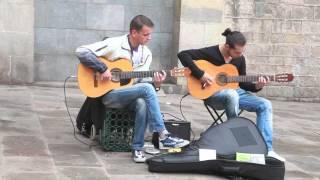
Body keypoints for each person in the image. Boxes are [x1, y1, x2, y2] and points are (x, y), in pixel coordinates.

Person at [75, 15, 189, 163]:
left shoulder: (146, 53)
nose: (149, 38)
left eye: (150, 34)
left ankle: (137, 148)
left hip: (128, 94)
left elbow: (140, 81)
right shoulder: (115, 43)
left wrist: (157, 84)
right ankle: (164, 135)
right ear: (134, 33)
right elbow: (81, 51)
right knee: (147, 89)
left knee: (142, 101)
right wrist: (103, 68)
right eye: (146, 34)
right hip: (108, 95)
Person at [177, 28, 285, 162]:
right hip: (214, 96)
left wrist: (257, 86)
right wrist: (201, 74)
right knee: (231, 94)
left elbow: (242, 83)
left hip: (235, 93)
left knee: (265, 104)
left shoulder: (239, 59)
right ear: (227, 47)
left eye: (242, 51)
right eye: (237, 51)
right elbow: (183, 55)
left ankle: (267, 150)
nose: (240, 54)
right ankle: (236, 140)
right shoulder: (211, 52)